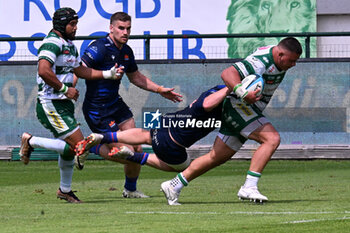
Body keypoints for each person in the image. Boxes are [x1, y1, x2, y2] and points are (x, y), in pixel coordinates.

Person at [160, 37, 302, 205]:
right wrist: (242, 92)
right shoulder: (261, 62)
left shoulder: (278, 57)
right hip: (238, 105)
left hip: (247, 108)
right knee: (272, 139)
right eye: (291, 60)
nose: (293, 65)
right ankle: (249, 187)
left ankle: (173, 185)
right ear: (279, 54)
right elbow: (227, 73)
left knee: (216, 157)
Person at [19, 7, 122, 203]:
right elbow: (43, 70)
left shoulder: (69, 45)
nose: (75, 28)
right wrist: (65, 89)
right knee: (80, 147)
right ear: (61, 25)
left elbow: (81, 71)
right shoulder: (52, 43)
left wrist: (108, 74)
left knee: (70, 149)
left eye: (76, 24)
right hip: (51, 104)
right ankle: (30, 141)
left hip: (63, 104)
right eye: (72, 24)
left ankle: (65, 190)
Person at [76, 12, 182, 198]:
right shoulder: (99, 47)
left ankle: (130, 190)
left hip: (116, 105)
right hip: (97, 109)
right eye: (121, 28)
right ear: (111, 28)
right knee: (126, 152)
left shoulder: (126, 51)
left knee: (137, 147)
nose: (125, 32)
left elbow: (135, 77)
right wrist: (69, 88)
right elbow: (79, 69)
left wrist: (159, 90)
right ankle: (88, 147)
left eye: (128, 29)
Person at [74, 85, 229, 173]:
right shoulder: (224, 94)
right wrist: (231, 88)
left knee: (146, 135)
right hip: (174, 141)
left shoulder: (216, 89)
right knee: (185, 167)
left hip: (170, 122)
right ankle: (132, 157)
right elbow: (207, 104)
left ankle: (103, 137)